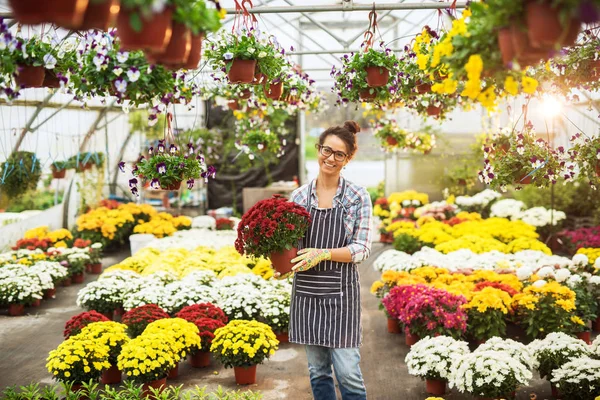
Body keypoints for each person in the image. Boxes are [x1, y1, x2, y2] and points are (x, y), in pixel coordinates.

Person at [278, 120, 373, 400]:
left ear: (348, 158)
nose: (330, 158)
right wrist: (281, 264)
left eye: (339, 154)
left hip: (341, 297)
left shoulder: (356, 197)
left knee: (348, 374)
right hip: (307, 295)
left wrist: (324, 253)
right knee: (318, 371)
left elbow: (362, 248)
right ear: (318, 149)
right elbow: (292, 247)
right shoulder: (298, 198)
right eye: (326, 150)